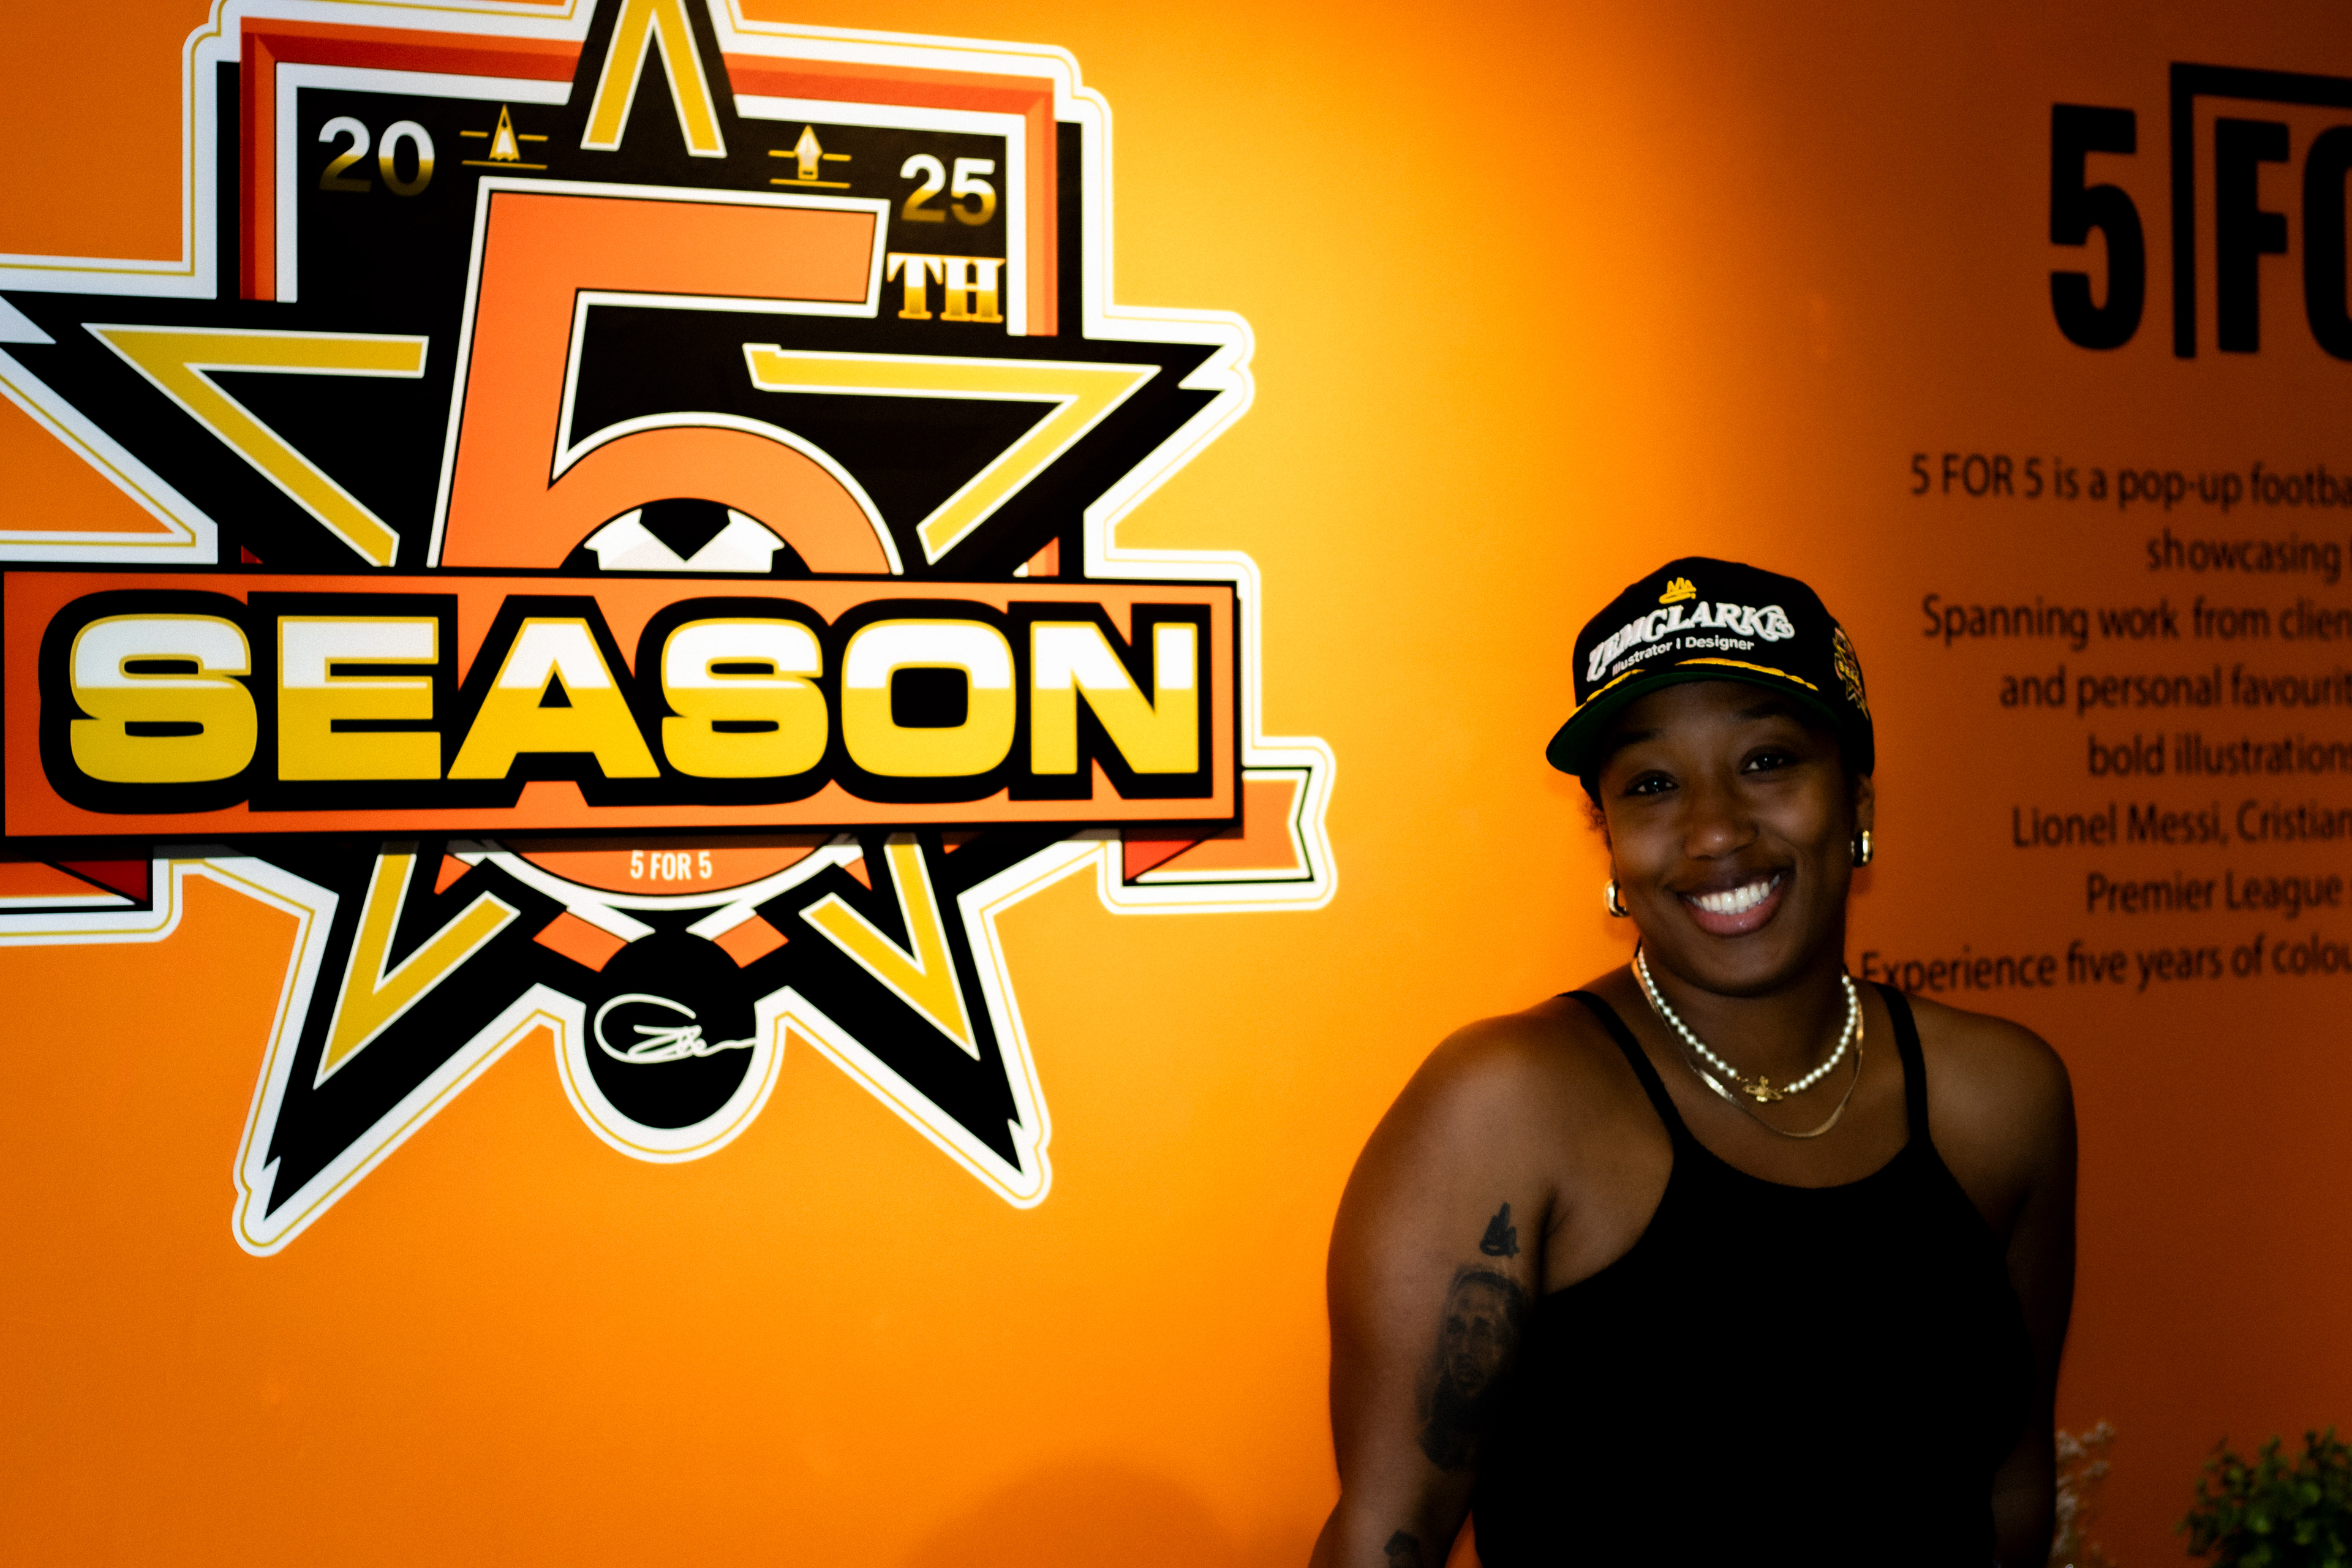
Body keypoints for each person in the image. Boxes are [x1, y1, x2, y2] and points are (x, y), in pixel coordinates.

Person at [1309, 558, 2076, 1567]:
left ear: (1857, 798)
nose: (1714, 829)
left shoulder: (2003, 1098)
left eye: (1767, 760)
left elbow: (2011, 1492)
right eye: (1653, 785)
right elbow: (1383, 1539)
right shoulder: (1506, 1109)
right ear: (1608, 841)